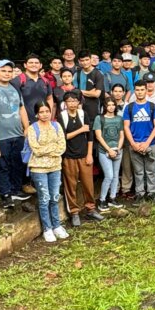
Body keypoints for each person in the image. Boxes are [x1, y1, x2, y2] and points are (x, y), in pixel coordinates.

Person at [0, 60, 31, 209]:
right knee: (2, 166)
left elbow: (22, 109)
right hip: (0, 136)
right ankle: (5, 195)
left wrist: (26, 127)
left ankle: (16, 190)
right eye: (3, 71)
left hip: (18, 134)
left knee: (18, 163)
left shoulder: (15, 88)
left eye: (9, 71)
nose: (7, 74)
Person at [26, 103, 69, 242]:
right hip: (38, 168)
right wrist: (52, 148)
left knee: (54, 197)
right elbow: (36, 149)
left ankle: (57, 225)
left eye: (47, 111)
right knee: (44, 198)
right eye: (41, 112)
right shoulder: (32, 129)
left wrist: (48, 149)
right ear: (37, 114)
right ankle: (47, 228)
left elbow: (62, 146)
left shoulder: (56, 126)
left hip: (55, 167)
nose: (45, 114)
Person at [60, 91, 101, 225]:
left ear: (79, 102)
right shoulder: (62, 116)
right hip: (68, 156)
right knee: (70, 185)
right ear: (65, 103)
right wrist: (80, 130)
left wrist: (89, 154)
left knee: (88, 184)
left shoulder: (83, 114)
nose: (72, 104)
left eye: (74, 101)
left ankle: (90, 209)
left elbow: (90, 136)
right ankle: (74, 212)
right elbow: (62, 137)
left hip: (84, 155)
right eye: (69, 101)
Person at [123, 79, 155, 203]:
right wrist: (133, 143)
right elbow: (126, 127)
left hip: (150, 143)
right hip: (134, 144)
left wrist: (147, 143)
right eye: (137, 90)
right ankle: (140, 193)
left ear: (146, 90)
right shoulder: (129, 107)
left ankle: (152, 192)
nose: (140, 92)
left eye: (142, 90)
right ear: (135, 91)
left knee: (150, 170)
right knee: (138, 171)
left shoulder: (152, 106)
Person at [93, 97, 126, 211]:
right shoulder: (99, 118)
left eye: (113, 104)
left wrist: (118, 149)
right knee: (109, 175)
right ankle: (102, 199)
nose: (111, 107)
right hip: (104, 151)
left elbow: (122, 135)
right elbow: (98, 136)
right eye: (109, 105)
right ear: (105, 106)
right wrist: (109, 150)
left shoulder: (119, 118)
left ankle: (112, 198)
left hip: (117, 150)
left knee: (116, 175)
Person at [15, 54, 54, 124]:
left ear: (40, 65)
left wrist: (49, 115)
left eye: (36, 63)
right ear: (25, 65)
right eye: (31, 63)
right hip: (24, 123)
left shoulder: (45, 81)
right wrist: (25, 125)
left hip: (43, 122)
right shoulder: (17, 81)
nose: (34, 65)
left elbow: (49, 98)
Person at [74, 52, 104, 121]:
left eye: (87, 60)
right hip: (78, 107)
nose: (85, 62)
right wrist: (90, 92)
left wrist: (80, 91)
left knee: (92, 129)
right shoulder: (77, 74)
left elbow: (97, 94)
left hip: (94, 107)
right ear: (79, 61)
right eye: (82, 60)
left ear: (91, 60)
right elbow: (74, 93)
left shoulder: (98, 73)